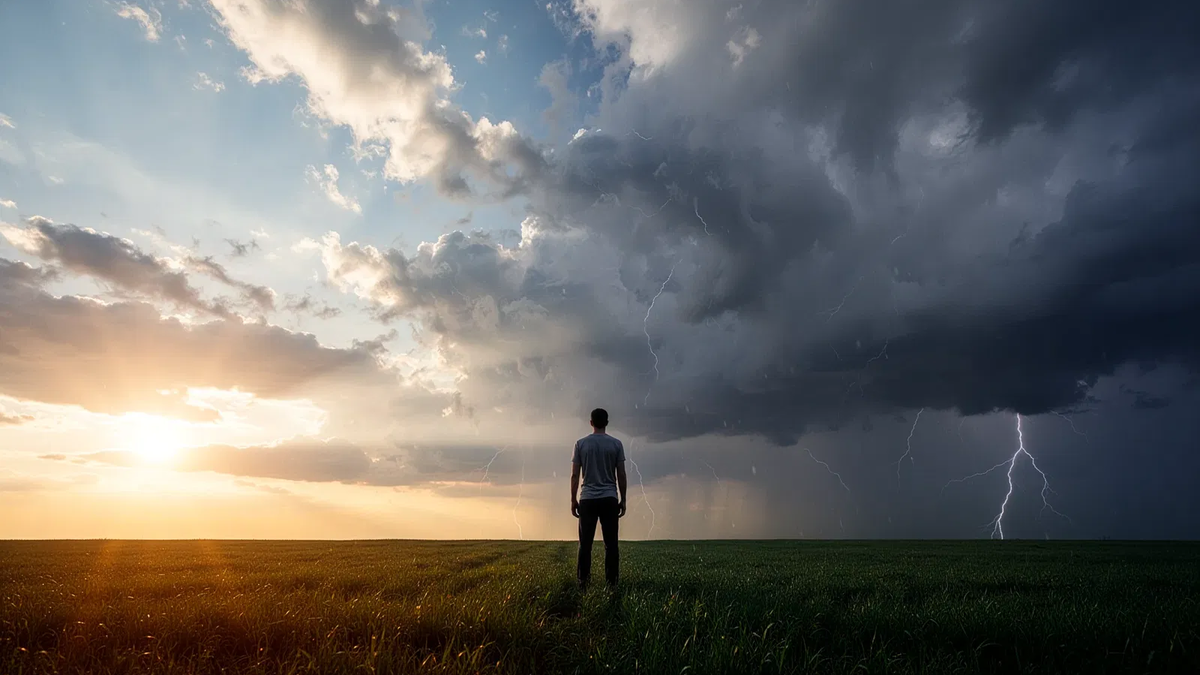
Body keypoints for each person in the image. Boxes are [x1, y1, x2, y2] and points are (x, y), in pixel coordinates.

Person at [570, 407, 627, 589]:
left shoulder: (580, 444)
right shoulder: (616, 444)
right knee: (611, 544)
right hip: (609, 498)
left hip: (587, 498)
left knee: (585, 544)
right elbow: (621, 474)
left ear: (591, 423)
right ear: (607, 423)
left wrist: (573, 499)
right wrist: (623, 499)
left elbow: (575, 475)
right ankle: (612, 584)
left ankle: (583, 583)